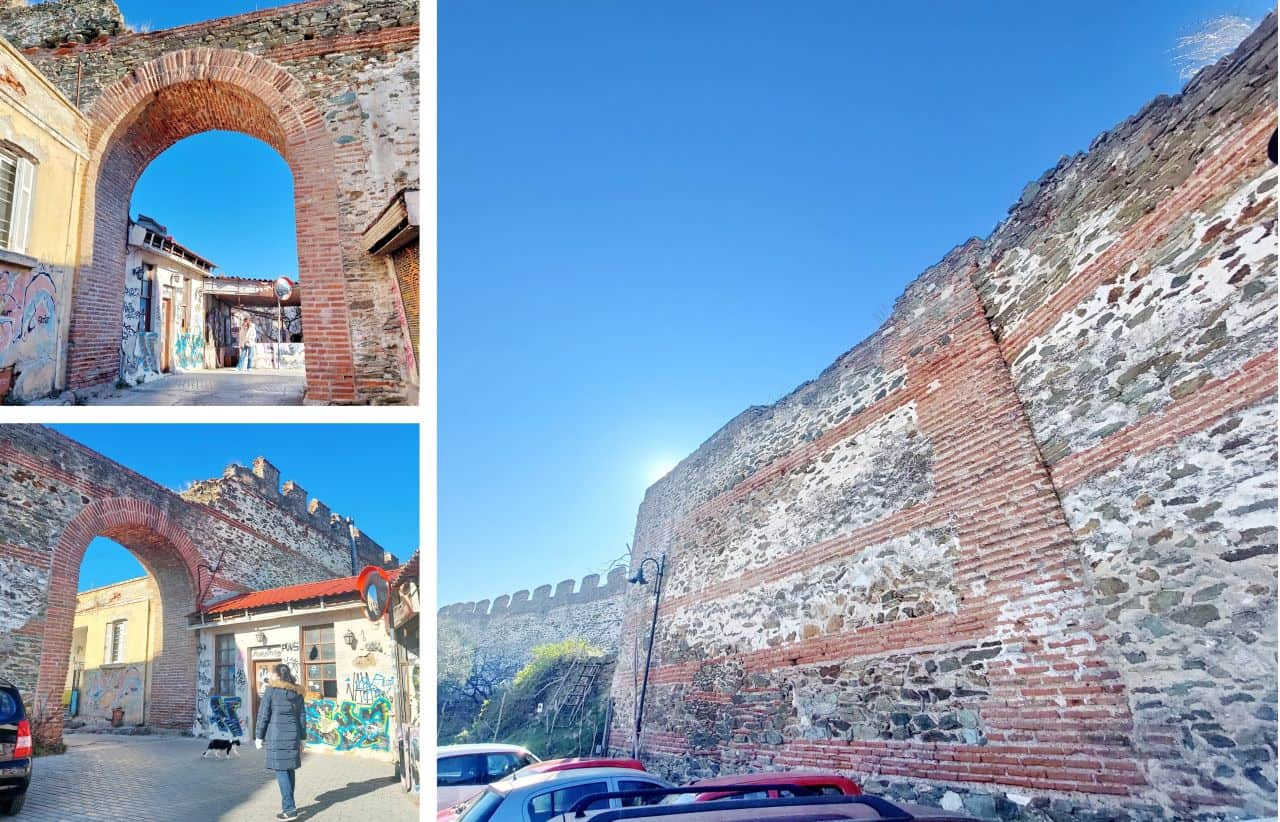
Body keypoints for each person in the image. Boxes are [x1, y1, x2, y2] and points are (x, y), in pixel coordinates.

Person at [254, 663, 307, 821]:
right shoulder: (297, 692)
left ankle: (289, 809)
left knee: (281, 770)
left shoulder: (271, 691)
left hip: (277, 736)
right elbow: (302, 717)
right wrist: (303, 738)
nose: (270, 676)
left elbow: (263, 714)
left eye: (272, 673)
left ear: (277, 675)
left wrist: (259, 736)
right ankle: (289, 805)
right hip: (293, 735)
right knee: (289, 769)